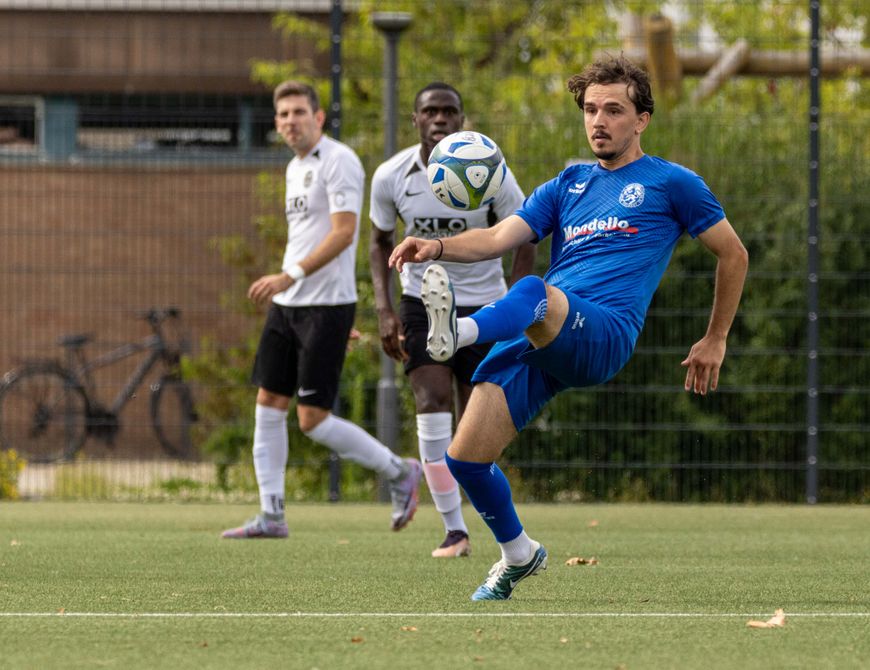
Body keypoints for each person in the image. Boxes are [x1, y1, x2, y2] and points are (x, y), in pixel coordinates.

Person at [389, 56, 748, 599]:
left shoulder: (673, 183)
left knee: (529, 289)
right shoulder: (568, 183)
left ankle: (457, 334)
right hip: (541, 331)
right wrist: (434, 246)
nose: (598, 121)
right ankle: (519, 555)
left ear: (641, 119)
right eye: (589, 109)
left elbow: (734, 254)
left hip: (602, 332)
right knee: (464, 459)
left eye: (614, 110)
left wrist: (715, 336)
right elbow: (494, 238)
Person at [222, 80, 422, 539]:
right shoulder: (295, 168)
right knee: (268, 404)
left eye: (297, 112)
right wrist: (290, 287)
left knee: (312, 419)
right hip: (290, 307)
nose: (289, 121)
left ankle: (399, 471)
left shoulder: (340, 161)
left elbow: (343, 233)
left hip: (325, 305)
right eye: (282, 115)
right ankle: (271, 514)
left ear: (318, 117)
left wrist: (291, 277)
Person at [370, 82, 536, 558]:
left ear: (462, 120)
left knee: (476, 422)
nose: (439, 118)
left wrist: (520, 304)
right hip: (421, 302)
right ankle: (454, 530)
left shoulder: (493, 171)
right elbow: (379, 241)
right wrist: (383, 310)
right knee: (431, 396)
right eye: (430, 111)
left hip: (487, 306)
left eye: (449, 111)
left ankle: (496, 526)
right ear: (416, 120)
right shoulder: (391, 176)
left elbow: (526, 236)